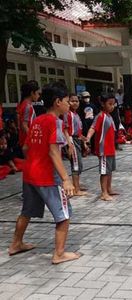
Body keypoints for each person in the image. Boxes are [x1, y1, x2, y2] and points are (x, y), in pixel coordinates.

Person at [8, 81, 80, 264]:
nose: (68, 104)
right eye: (66, 100)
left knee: (26, 212)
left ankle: (16, 244)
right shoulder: (55, 122)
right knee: (64, 214)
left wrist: (35, 160)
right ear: (57, 102)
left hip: (30, 174)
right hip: (47, 177)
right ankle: (59, 254)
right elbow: (53, 151)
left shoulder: (37, 120)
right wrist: (66, 179)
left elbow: (25, 147)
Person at [85, 94, 117, 201]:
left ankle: (109, 188)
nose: (112, 106)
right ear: (103, 104)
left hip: (111, 149)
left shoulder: (109, 116)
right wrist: (88, 138)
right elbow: (93, 127)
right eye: (110, 104)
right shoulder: (100, 116)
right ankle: (104, 193)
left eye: (113, 104)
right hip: (103, 149)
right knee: (104, 171)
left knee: (110, 170)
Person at [63, 93, 87, 196]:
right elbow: (65, 130)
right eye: (72, 101)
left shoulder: (76, 115)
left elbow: (79, 131)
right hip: (72, 140)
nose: (75, 103)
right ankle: (76, 189)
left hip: (77, 140)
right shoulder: (67, 114)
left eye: (77, 101)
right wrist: (69, 144)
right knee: (76, 164)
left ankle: (76, 184)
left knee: (79, 164)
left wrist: (84, 141)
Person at [17, 80, 40, 149]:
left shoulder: (24, 104)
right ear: (32, 93)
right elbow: (24, 125)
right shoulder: (27, 106)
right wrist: (32, 138)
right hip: (27, 142)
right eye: (37, 93)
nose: (39, 96)